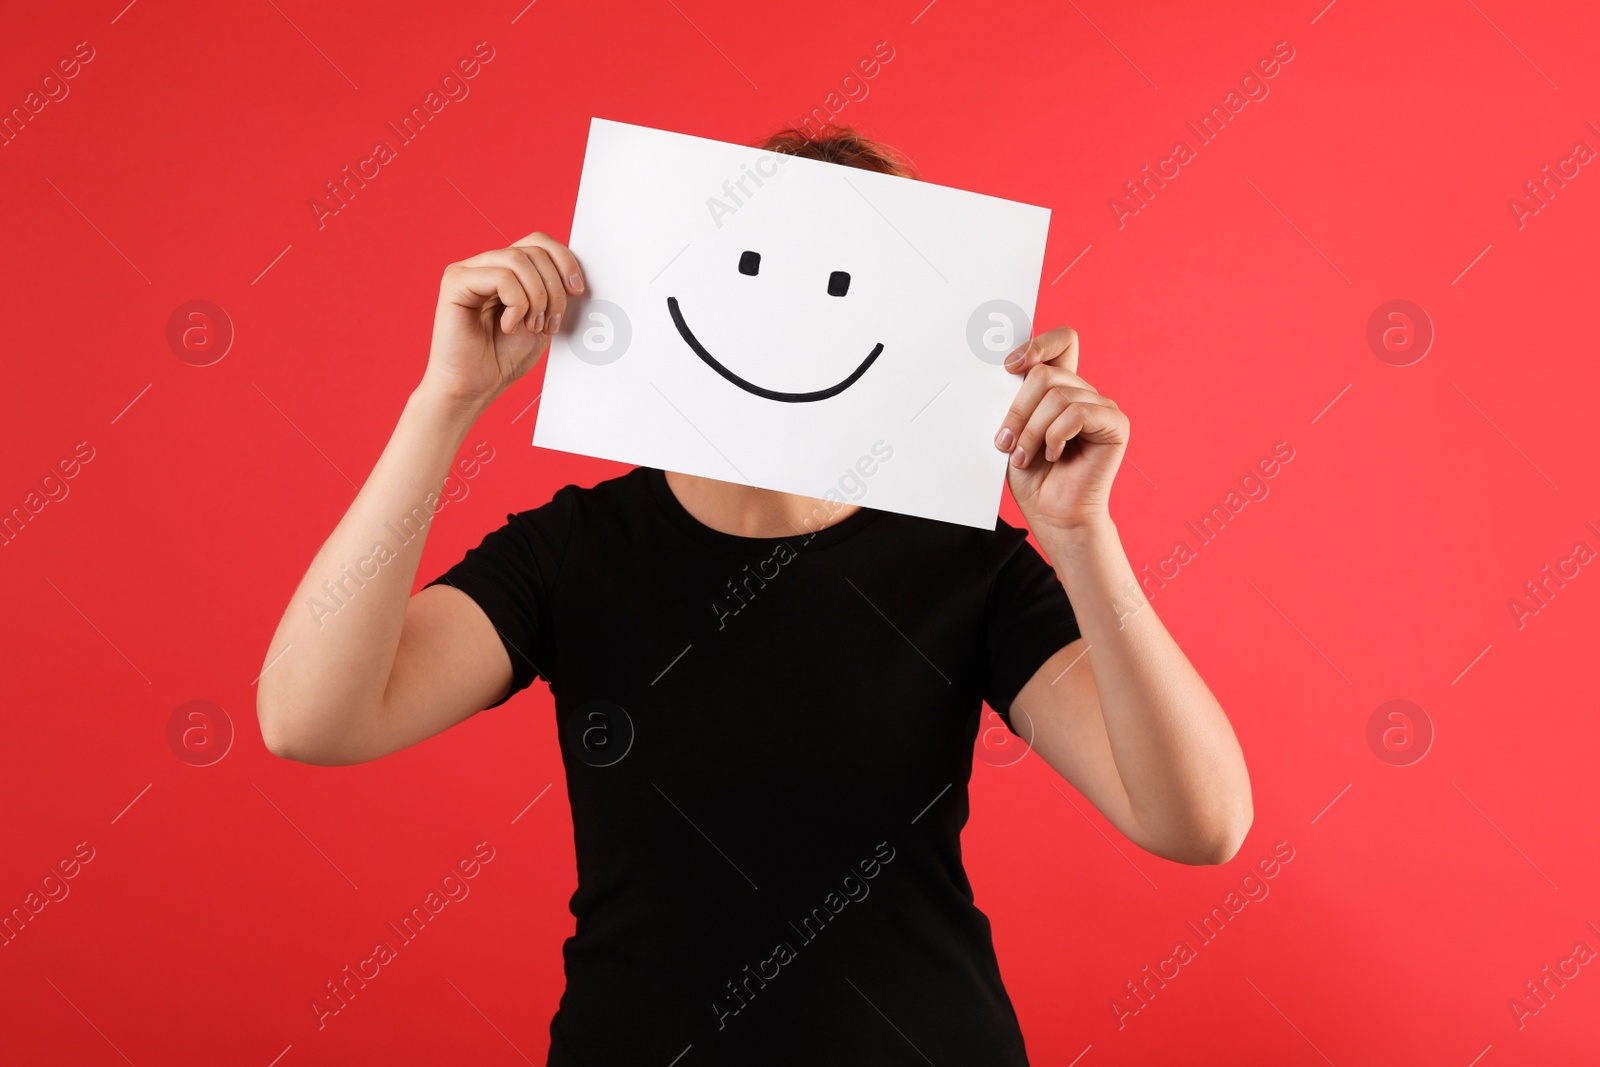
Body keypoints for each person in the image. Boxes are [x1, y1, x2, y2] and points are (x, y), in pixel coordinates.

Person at [256, 126, 1252, 1065]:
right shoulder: (578, 547)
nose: (800, 316)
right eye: (757, 270)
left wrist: (1081, 535)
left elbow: (1199, 822)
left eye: (845, 287)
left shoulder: (968, 563)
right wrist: (445, 401)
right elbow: (311, 716)